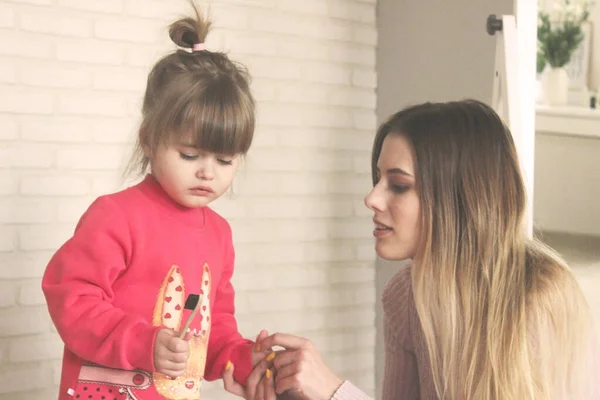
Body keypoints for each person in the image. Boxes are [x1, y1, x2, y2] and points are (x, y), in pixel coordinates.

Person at [241, 100, 599, 400]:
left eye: (398, 185)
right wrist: (295, 392)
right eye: (377, 180)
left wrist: (334, 391)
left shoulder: (539, 297)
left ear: (459, 197)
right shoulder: (405, 296)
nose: (372, 198)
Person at [42, 2, 272, 399]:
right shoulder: (115, 216)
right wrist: (142, 343)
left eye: (225, 159)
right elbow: (71, 297)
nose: (207, 172)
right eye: (190, 155)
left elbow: (212, 328)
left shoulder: (219, 234)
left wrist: (243, 357)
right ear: (149, 139)